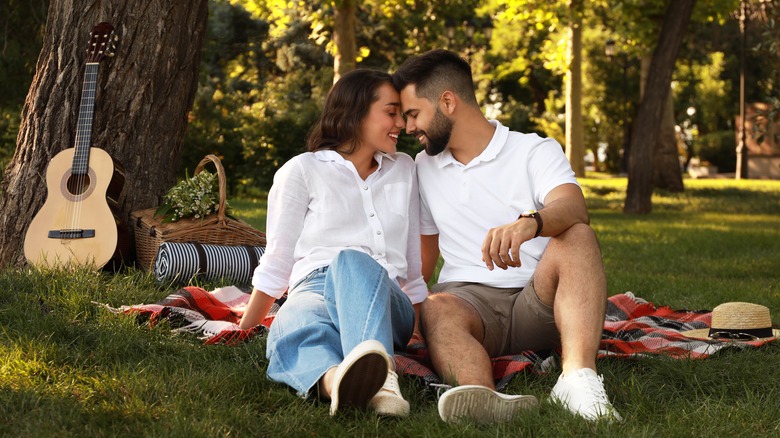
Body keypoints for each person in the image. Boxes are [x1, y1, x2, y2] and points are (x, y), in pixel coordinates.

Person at [391, 49, 622, 423]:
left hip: (539, 300)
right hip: (469, 305)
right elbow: (424, 256)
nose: (408, 127)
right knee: (437, 305)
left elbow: (575, 208)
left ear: (447, 102)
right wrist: (404, 310)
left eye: (414, 114)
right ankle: (481, 397)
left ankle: (578, 379)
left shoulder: (533, 150)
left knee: (578, 235)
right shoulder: (423, 165)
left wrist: (529, 222)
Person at [238, 68, 427, 418]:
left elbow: (413, 270)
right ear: (355, 113)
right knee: (292, 321)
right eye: (391, 112)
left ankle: (381, 378)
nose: (401, 122)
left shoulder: (405, 169)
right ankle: (336, 381)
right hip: (314, 287)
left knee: (351, 260)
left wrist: (418, 333)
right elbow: (278, 260)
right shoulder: (302, 170)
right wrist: (247, 328)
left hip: (383, 298)